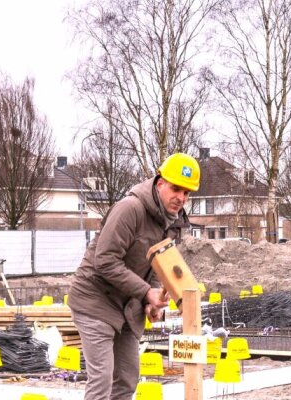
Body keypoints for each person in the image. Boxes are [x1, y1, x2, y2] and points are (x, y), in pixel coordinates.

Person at [67, 153, 197, 400]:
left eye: (187, 193)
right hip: (95, 300)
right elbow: (104, 260)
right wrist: (146, 291)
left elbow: (160, 264)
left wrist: (151, 300)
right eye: (176, 189)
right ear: (160, 183)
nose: (181, 197)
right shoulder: (130, 208)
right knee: (102, 379)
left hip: (128, 306)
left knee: (127, 377)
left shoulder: (171, 222)